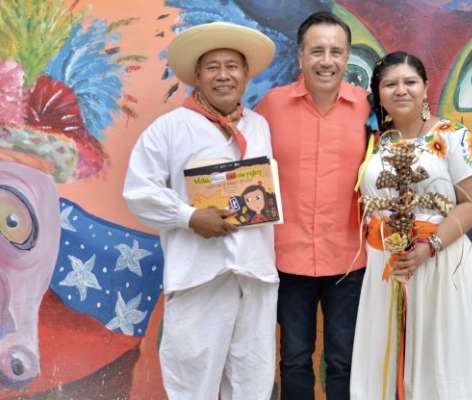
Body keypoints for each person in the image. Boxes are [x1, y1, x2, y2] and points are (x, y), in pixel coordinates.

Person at [122, 22, 277, 400]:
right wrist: (189, 217)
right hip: (199, 277)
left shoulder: (258, 126)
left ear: (245, 74)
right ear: (197, 75)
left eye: (232, 66)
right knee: (192, 384)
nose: (223, 75)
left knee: (253, 381)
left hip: (254, 274)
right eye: (212, 67)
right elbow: (139, 191)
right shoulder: (169, 129)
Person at [350, 51, 472, 399]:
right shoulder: (375, 142)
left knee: (440, 367)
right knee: (381, 364)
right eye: (390, 84)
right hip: (386, 266)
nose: (401, 90)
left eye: (410, 82)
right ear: (378, 94)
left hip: (441, 264)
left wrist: (431, 246)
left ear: (426, 88)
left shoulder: (453, 136)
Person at [255, 10, 370, 400]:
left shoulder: (370, 109)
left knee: (344, 361)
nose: (327, 61)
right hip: (287, 258)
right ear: (301, 56)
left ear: (347, 57)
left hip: (349, 260)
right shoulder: (272, 105)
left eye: (336, 52)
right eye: (317, 51)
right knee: (293, 359)